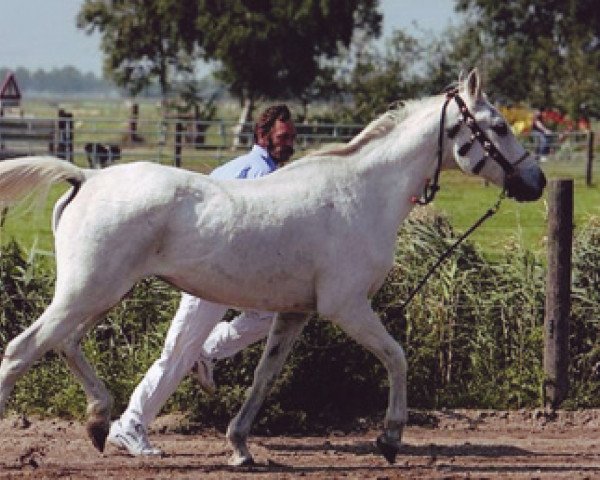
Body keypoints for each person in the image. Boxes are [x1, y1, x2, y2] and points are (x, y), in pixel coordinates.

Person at [107, 104, 297, 456]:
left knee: (270, 315)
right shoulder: (260, 174)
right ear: (262, 136)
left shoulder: (241, 167)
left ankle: (208, 352)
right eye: (283, 138)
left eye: (292, 139)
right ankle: (129, 425)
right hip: (208, 275)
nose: (289, 145)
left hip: (230, 278)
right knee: (178, 353)